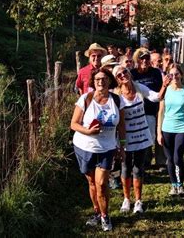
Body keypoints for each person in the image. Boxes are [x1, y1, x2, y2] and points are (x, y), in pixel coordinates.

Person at [70, 67, 126, 232]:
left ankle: (105, 215)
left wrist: (122, 145)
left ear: (109, 81)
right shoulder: (85, 99)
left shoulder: (116, 100)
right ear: (93, 82)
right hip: (84, 146)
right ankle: (96, 211)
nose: (100, 81)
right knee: (92, 182)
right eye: (97, 79)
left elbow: (122, 125)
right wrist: (88, 131)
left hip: (107, 148)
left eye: (104, 79)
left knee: (101, 183)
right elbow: (73, 124)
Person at [112, 65, 169, 214]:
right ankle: (126, 199)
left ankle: (138, 200)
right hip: (126, 138)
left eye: (125, 71)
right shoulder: (116, 96)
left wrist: (164, 85)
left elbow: (156, 97)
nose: (123, 75)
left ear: (129, 72)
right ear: (116, 80)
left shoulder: (138, 87)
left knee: (138, 168)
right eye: (119, 75)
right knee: (125, 168)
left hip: (142, 137)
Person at [157, 64, 184, 197]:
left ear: (181, 75)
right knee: (170, 159)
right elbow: (161, 112)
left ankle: (180, 184)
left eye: (177, 74)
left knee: (177, 157)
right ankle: (174, 185)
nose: (174, 77)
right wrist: (158, 132)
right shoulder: (165, 91)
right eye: (171, 75)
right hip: (167, 128)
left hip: (182, 128)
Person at [130, 48, 164, 167]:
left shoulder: (155, 73)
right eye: (141, 58)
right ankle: (146, 161)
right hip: (137, 112)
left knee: (158, 134)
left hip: (153, 109)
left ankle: (161, 161)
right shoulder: (132, 73)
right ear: (137, 59)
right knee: (143, 138)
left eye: (147, 58)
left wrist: (161, 108)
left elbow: (161, 91)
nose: (144, 60)